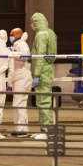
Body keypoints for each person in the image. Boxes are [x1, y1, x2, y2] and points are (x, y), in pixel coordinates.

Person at [30, 12, 57, 140]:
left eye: (32, 22)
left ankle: (46, 130)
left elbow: (40, 55)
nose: (32, 25)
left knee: (43, 101)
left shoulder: (40, 35)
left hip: (42, 72)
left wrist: (36, 74)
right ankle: (44, 129)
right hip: (48, 69)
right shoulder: (51, 33)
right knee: (44, 100)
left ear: (36, 22)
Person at [7, 28, 32, 137]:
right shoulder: (17, 45)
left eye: (12, 34)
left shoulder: (22, 44)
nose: (10, 36)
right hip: (18, 76)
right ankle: (19, 128)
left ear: (18, 35)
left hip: (22, 75)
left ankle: (21, 129)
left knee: (19, 102)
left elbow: (24, 56)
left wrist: (12, 54)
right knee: (18, 102)